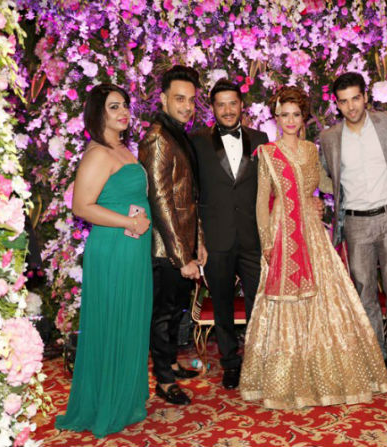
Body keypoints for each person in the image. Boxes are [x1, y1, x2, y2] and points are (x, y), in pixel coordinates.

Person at [240, 86, 387, 409]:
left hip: (311, 232)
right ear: (276, 117)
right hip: (282, 231)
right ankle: (286, 378)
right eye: (284, 115)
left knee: (327, 298)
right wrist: (267, 243)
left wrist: (350, 184)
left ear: (303, 117)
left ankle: (328, 376)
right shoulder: (268, 153)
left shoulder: (311, 150)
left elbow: (326, 183)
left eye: (296, 114)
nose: (290, 120)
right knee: (284, 303)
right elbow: (261, 203)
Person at [55, 83, 152, 437]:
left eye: (124, 105)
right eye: (114, 107)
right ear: (98, 114)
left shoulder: (124, 150)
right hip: (113, 249)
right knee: (113, 321)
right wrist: (128, 222)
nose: (123, 111)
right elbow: (81, 207)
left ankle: (124, 399)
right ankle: (106, 403)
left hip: (134, 247)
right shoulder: (97, 154)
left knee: (131, 321)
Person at [319, 72, 387, 387]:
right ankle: (377, 355)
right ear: (337, 105)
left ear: (365, 97)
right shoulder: (329, 137)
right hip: (356, 223)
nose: (351, 106)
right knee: (364, 292)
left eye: (356, 98)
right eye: (344, 101)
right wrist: (325, 192)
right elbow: (322, 174)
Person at [190, 79, 268, 389]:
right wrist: (197, 238)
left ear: (241, 105)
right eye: (220, 104)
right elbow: (192, 192)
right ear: (212, 108)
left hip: (252, 237)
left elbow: (270, 187)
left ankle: (258, 361)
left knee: (258, 303)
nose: (227, 110)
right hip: (216, 239)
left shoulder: (260, 139)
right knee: (221, 304)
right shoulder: (197, 142)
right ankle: (230, 364)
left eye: (232, 103)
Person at [138, 65, 205, 405]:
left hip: (180, 244)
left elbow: (189, 196)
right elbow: (161, 200)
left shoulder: (176, 133)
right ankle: (164, 380)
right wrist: (182, 256)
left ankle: (171, 364)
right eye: (180, 99)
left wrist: (198, 242)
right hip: (165, 248)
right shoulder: (158, 138)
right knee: (163, 315)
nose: (187, 106)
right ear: (163, 99)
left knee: (175, 310)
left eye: (191, 100)